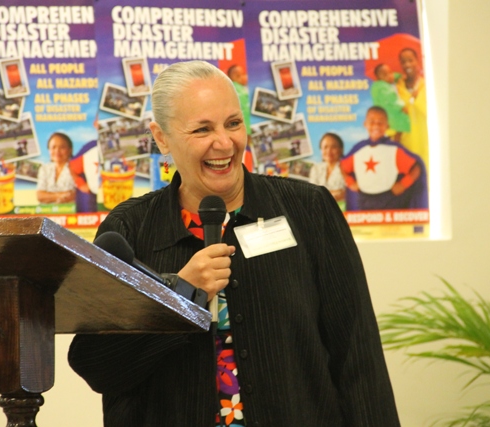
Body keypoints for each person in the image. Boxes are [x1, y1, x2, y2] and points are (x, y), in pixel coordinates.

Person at [68, 61, 400, 427]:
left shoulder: (309, 211)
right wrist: (178, 295)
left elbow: (358, 356)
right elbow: (99, 368)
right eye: (202, 129)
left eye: (233, 124)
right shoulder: (129, 228)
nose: (224, 143)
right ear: (161, 137)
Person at [340, 106, 427, 211]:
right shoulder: (359, 149)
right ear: (365, 124)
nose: (376, 125)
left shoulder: (394, 149)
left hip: (389, 199)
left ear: (387, 126)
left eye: (380, 122)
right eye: (372, 121)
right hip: (364, 200)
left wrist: (403, 184)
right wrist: (350, 182)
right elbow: (342, 166)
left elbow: (416, 168)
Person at [396, 47, 428, 171]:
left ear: (418, 61)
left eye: (410, 60)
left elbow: (434, 113)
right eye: (403, 61)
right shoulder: (397, 88)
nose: (407, 64)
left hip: (425, 141)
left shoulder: (427, 85)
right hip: (406, 142)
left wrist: (416, 99)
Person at [370, 63, 410, 142]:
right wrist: (402, 107)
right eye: (385, 74)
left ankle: (395, 142)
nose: (389, 75)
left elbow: (394, 75)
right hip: (391, 112)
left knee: (396, 131)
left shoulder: (383, 84)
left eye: (390, 72)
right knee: (398, 129)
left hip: (386, 113)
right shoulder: (382, 87)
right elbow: (392, 100)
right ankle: (396, 144)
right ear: (378, 77)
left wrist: (400, 76)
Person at [36, 132, 76, 204]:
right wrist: (61, 195)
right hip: (46, 212)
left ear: (70, 150)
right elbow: (40, 196)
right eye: (53, 147)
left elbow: (75, 195)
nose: (57, 151)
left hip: (71, 212)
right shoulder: (44, 169)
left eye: (62, 147)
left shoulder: (77, 168)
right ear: (49, 150)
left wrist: (49, 196)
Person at [309, 132, 346, 207]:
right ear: (321, 150)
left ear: (341, 149)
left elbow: (348, 194)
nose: (329, 151)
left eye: (333, 147)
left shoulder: (347, 168)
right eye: (325, 147)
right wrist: (336, 192)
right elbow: (312, 194)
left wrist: (321, 194)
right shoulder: (316, 169)